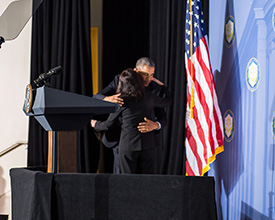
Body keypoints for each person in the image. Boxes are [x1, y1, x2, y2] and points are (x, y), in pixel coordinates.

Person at [93, 57, 168, 173]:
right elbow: (96, 97)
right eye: (145, 74)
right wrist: (107, 98)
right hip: (122, 141)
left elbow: (163, 117)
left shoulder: (155, 88)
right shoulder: (121, 79)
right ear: (136, 71)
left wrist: (156, 125)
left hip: (147, 143)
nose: (148, 79)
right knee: (123, 181)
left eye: (152, 75)